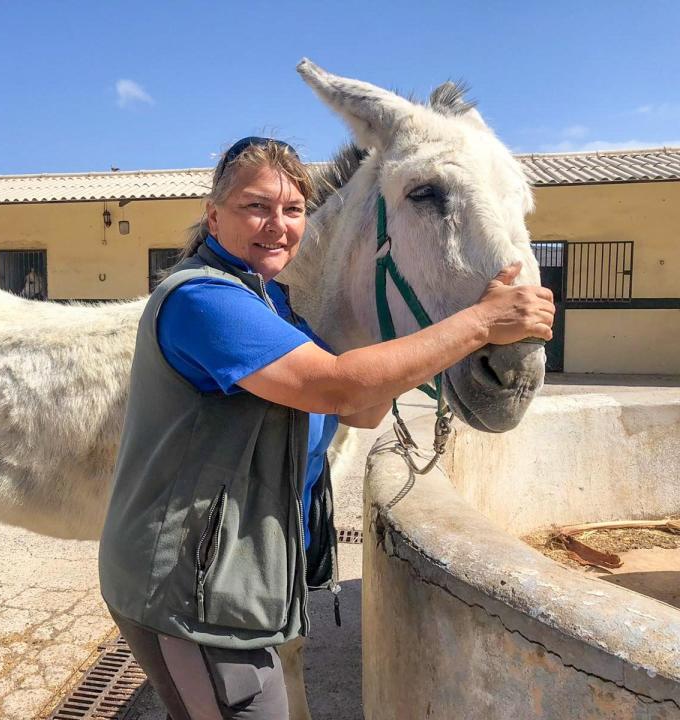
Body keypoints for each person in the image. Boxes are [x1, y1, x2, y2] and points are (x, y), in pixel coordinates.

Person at [99, 137, 554, 719]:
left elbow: (358, 409)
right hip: (185, 591)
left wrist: (427, 329)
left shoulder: (270, 305)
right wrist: (481, 322)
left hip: (228, 581)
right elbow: (337, 384)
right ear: (214, 215)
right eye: (255, 207)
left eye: (292, 210)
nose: (278, 225)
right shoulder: (204, 301)